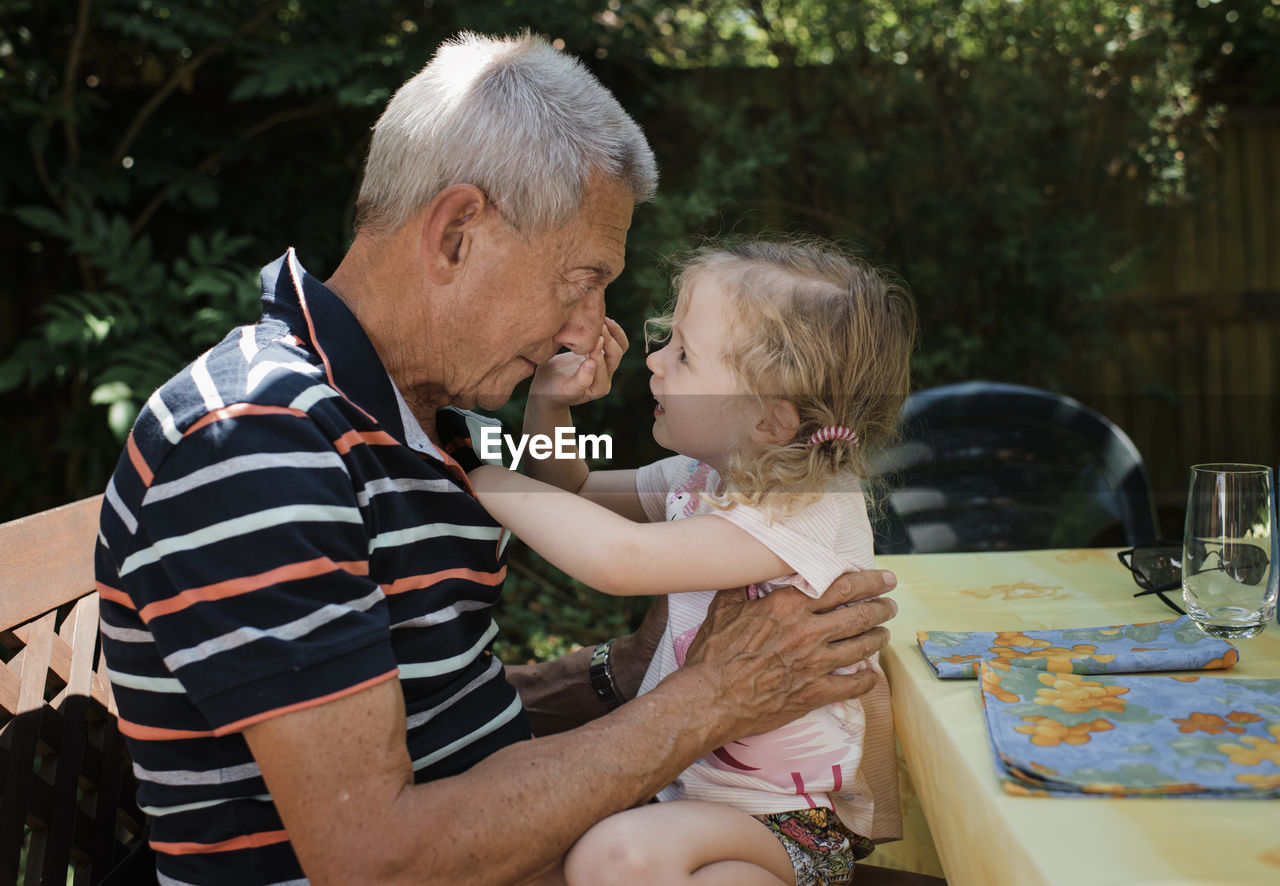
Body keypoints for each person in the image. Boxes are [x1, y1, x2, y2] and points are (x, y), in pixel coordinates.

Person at [94, 31, 899, 886]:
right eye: (581, 279)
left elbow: (559, 493)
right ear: (456, 235)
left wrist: (625, 670)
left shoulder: (427, 422)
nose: (590, 332)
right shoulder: (256, 444)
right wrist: (709, 700)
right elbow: (376, 860)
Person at [469, 239, 916, 886]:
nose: (653, 360)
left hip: (785, 829)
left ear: (769, 420)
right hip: (694, 807)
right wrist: (550, 406)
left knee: (615, 857)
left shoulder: (806, 508)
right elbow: (569, 493)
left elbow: (619, 560)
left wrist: (474, 474)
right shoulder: (707, 476)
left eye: (683, 353)